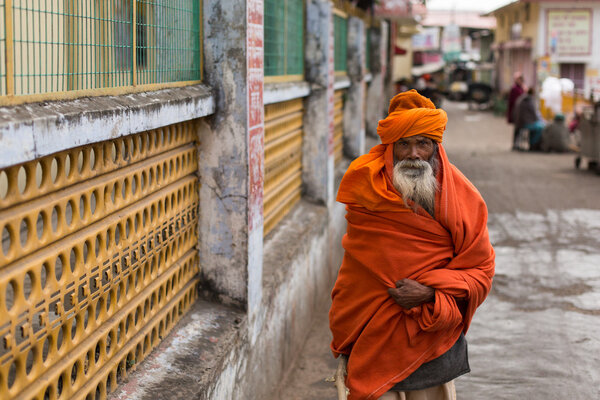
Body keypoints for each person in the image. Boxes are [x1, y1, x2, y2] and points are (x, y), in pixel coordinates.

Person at [329, 90, 495, 400]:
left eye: (423, 143)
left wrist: (431, 292)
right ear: (389, 148)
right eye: (404, 144)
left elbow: (481, 268)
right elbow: (360, 262)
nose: (414, 154)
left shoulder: (463, 197)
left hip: (430, 332)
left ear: (436, 148)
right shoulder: (365, 184)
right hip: (371, 325)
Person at [507, 72, 525, 150]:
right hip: (516, 111)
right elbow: (512, 101)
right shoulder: (515, 89)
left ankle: (517, 144)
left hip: (521, 111)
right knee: (517, 128)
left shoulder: (521, 88)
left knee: (519, 129)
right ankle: (515, 144)